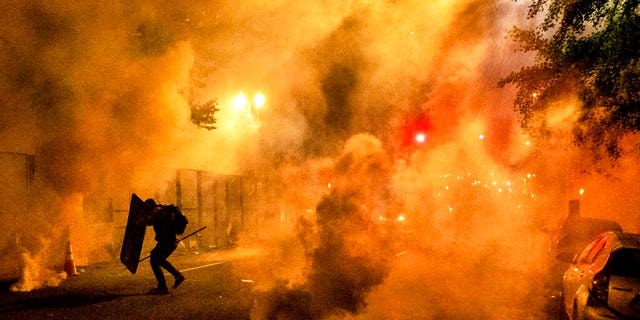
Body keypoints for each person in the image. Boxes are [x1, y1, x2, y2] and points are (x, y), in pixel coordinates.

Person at [144, 198, 185, 294]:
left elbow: (148, 222)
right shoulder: (163, 210)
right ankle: (177, 276)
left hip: (166, 241)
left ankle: (163, 287)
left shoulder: (156, 212)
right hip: (170, 241)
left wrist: (141, 217)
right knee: (159, 260)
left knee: (154, 260)